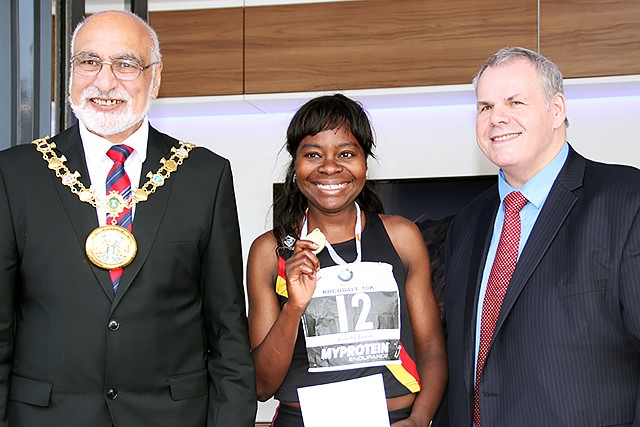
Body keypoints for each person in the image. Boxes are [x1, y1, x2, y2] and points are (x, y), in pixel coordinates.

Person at [0, 10, 256, 427]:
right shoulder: (16, 173)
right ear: (70, 73)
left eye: (125, 64)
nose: (104, 82)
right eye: (88, 62)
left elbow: (227, 328)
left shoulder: (203, 175)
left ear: (154, 78)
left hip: (171, 417)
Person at [434, 46, 640, 427]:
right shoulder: (468, 223)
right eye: (485, 107)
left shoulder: (626, 200)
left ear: (557, 109)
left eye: (515, 101)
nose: (497, 118)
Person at [247, 94, 447, 427]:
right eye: (313, 154)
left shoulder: (401, 237)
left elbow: (432, 349)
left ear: (364, 162)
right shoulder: (270, 252)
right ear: (295, 164)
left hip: (397, 419)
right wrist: (294, 307)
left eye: (346, 154)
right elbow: (261, 386)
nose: (329, 166)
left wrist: (419, 419)